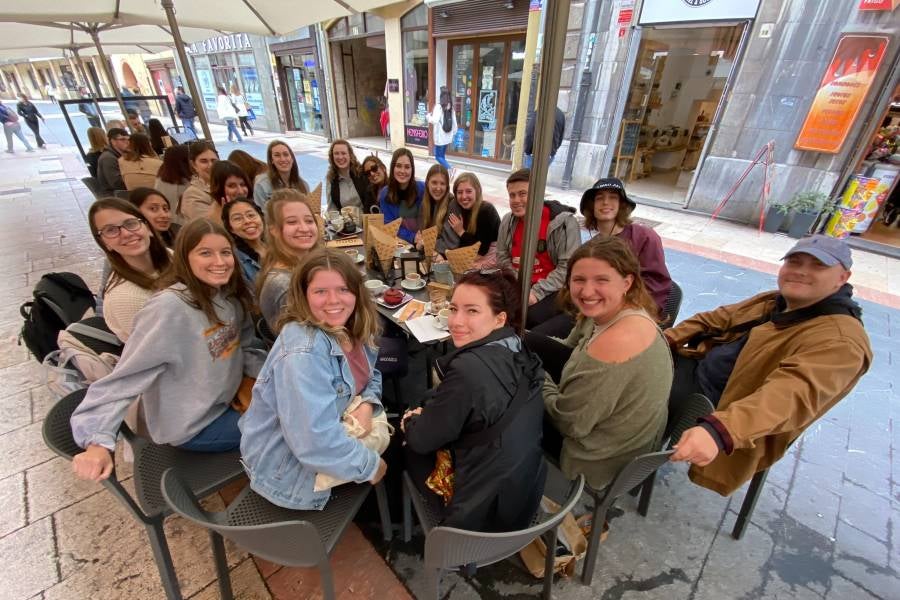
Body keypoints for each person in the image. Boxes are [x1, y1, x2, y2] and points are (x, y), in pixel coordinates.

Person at [666, 235, 872, 496]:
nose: (800, 272)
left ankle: (611, 487)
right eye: (794, 262)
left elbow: (787, 398)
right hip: (697, 367)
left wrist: (720, 431)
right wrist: (664, 339)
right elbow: (717, 318)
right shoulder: (777, 301)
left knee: (630, 402)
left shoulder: (841, 342)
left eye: (818, 266)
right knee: (620, 369)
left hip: (720, 405)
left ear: (843, 277)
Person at [70, 218, 266, 482]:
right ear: (185, 258)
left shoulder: (227, 296)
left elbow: (246, 348)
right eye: (205, 253)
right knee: (287, 426)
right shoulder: (168, 309)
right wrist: (96, 442)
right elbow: (126, 377)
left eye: (225, 252)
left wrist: (279, 376)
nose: (219, 262)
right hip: (196, 425)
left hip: (225, 400)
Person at [240, 248, 387, 509]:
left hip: (328, 437)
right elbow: (314, 443)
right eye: (320, 291)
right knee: (397, 467)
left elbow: (371, 374)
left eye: (343, 289)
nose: (334, 300)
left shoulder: (354, 325)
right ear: (304, 295)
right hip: (290, 477)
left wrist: (367, 403)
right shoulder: (303, 351)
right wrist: (371, 466)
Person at [402, 268, 546, 531]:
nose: (456, 321)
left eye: (472, 311)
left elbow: (422, 440)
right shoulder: (516, 346)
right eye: (453, 308)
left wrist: (410, 422)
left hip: (481, 518)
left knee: (404, 444)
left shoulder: (468, 370)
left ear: (499, 318)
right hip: (522, 497)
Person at [536, 237, 672, 491]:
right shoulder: (611, 312)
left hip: (598, 456)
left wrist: (537, 375)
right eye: (579, 280)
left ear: (627, 282)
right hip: (618, 426)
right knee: (521, 342)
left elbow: (570, 423)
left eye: (602, 280)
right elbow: (568, 346)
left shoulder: (615, 343)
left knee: (507, 408)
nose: (587, 292)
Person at [496, 168, 580, 329]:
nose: (516, 200)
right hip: (517, 282)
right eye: (512, 195)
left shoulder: (563, 223)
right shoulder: (507, 221)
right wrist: (516, 282)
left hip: (553, 288)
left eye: (522, 194)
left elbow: (568, 268)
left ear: (538, 193)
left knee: (528, 317)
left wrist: (536, 293)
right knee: (489, 306)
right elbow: (502, 257)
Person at [580, 177, 672, 316]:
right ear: (591, 206)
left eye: (613, 197)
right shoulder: (591, 246)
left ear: (621, 205)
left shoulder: (644, 236)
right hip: (592, 310)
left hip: (631, 314)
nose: (605, 202)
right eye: (600, 198)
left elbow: (656, 285)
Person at [88, 197, 173, 341]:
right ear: (105, 243)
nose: (126, 234)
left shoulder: (170, 256)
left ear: (148, 228)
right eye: (111, 230)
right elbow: (164, 350)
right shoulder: (125, 298)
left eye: (131, 223)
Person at [257, 189, 321, 329]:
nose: (304, 228)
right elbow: (307, 339)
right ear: (273, 230)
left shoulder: (304, 265)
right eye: (292, 222)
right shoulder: (284, 286)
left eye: (309, 221)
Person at [436, 172, 500, 265]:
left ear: (477, 191)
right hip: (472, 256)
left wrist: (461, 232)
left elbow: (481, 250)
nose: (464, 196)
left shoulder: (486, 210)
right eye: (459, 192)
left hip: (489, 258)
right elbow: (463, 245)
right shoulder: (460, 208)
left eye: (468, 191)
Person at [378, 147, 425, 244]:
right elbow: (389, 226)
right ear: (392, 168)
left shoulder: (422, 188)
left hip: (423, 241)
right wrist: (412, 237)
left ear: (412, 169)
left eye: (407, 167)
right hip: (400, 244)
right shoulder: (385, 194)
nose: (402, 171)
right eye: (399, 166)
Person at [222, 198, 265, 288]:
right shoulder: (235, 260)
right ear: (231, 228)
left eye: (251, 215)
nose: (247, 221)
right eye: (238, 219)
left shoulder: (278, 245)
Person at [253, 140, 310, 208]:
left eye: (286, 154)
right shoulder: (262, 185)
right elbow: (259, 214)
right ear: (272, 160)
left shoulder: (303, 185)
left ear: (292, 158)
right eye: (277, 155)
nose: (282, 159)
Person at [325, 139, 373, 213]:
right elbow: (332, 208)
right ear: (332, 156)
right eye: (336, 153)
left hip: (367, 220)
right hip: (345, 223)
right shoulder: (331, 179)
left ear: (350, 155)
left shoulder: (362, 173)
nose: (340, 157)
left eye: (343, 153)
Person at [179, 141, 219, 221]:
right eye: (204, 161)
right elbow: (208, 226)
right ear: (193, 165)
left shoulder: (223, 183)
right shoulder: (192, 194)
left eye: (213, 161)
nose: (210, 166)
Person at [154, 144, 192, 218]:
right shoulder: (187, 183)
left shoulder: (160, 178)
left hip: (168, 220)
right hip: (184, 223)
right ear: (185, 160)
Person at [426, 86, 457, 171]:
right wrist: (453, 133)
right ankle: (444, 172)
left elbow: (435, 120)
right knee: (442, 156)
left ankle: (450, 169)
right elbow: (454, 123)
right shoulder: (451, 107)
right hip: (447, 137)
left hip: (440, 137)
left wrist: (428, 117)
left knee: (438, 156)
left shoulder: (439, 107)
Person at [96, 128, 130, 196]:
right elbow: (117, 184)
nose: (127, 142)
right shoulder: (108, 158)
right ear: (113, 141)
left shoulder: (121, 154)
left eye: (128, 139)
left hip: (121, 192)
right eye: (122, 139)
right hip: (115, 196)